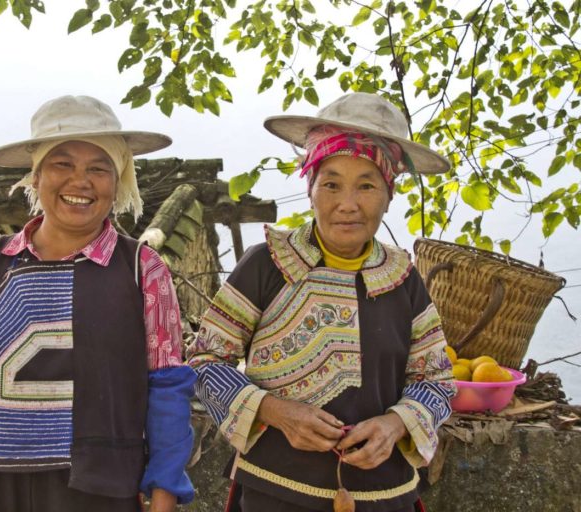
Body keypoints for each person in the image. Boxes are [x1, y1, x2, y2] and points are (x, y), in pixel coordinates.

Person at [0, 95, 196, 512]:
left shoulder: (142, 269)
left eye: (98, 168)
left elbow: (167, 388)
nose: (80, 182)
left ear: (117, 182)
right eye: (62, 164)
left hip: (99, 489)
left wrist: (164, 498)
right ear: (36, 176)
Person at [186, 92, 456, 512]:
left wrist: (394, 423)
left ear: (389, 193)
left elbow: (436, 380)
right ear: (310, 188)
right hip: (274, 493)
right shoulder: (266, 266)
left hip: (384, 497)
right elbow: (206, 362)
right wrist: (275, 411)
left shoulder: (404, 279)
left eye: (366, 185)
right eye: (330, 184)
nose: (347, 204)